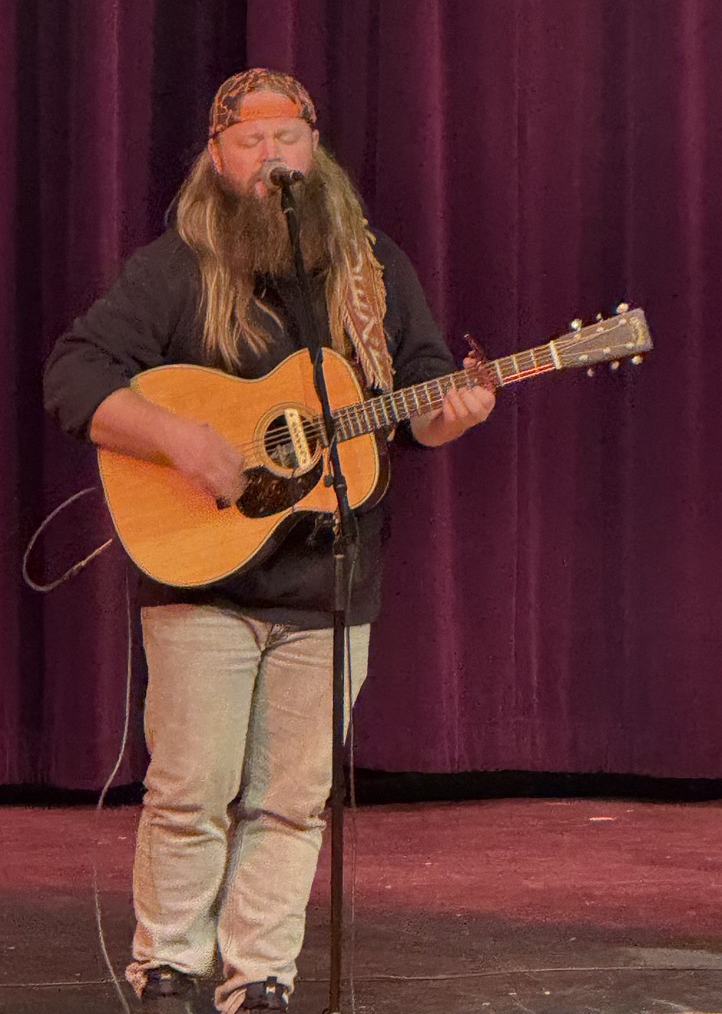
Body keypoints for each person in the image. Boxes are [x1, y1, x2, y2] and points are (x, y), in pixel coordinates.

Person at [44, 68, 495, 1014]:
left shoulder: (371, 270)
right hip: (202, 580)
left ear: (314, 151)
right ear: (217, 158)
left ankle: (260, 974)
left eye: (287, 138)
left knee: (292, 799)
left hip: (329, 581)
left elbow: (419, 398)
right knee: (190, 789)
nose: (271, 157)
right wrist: (177, 438)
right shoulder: (176, 267)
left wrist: (455, 412)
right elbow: (76, 371)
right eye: (250, 141)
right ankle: (169, 961)